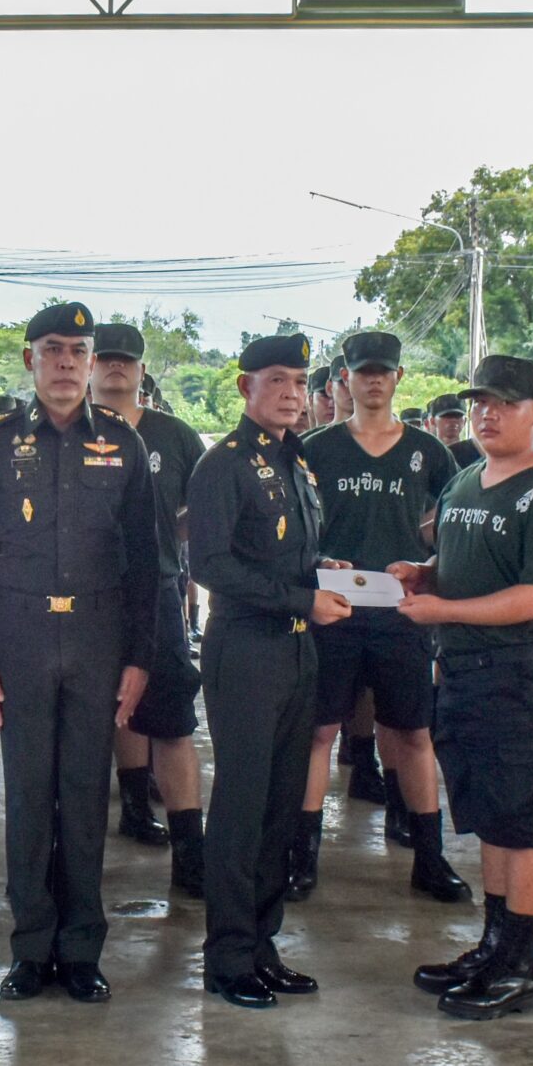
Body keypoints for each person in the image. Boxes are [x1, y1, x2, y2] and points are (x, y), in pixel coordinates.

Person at [0, 302, 159, 1003]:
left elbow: (146, 563)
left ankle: (81, 949)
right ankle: (30, 947)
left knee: (83, 795)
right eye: (54, 349)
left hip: (100, 638)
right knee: (28, 798)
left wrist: (139, 658)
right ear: (30, 360)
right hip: (19, 637)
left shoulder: (124, 445)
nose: (69, 362)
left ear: (95, 362)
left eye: (80, 350)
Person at [398, 353, 533, 1020]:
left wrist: (442, 610)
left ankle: (520, 971)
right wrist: (425, 575)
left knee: (526, 825)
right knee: (491, 823)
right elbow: (462, 567)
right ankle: (494, 949)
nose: (486, 413)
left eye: (503, 403)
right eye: (479, 401)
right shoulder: (467, 482)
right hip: (466, 674)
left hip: (522, 676)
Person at [185, 333, 352, 1008]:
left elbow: (286, 555)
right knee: (242, 806)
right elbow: (212, 566)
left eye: (298, 382)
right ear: (245, 387)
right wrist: (300, 597)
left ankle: (263, 944)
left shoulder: (297, 461)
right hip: (246, 650)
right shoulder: (222, 465)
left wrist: (322, 572)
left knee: (283, 806)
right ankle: (228, 957)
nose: (290, 394)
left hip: (297, 648)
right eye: (275, 380)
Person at [297, 330, 468, 903]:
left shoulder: (429, 450)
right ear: (345, 378)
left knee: (414, 734)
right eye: (362, 371)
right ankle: (302, 856)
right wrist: (317, 562)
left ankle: (429, 856)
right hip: (334, 611)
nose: (373, 380)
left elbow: (458, 521)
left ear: (398, 378)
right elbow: (292, 530)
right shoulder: (316, 448)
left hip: (400, 614)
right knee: (319, 733)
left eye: (383, 371)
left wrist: (428, 566)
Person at [91, 323, 211, 898]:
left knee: (169, 719)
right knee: (95, 715)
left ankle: (191, 851)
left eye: (126, 361)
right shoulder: (66, 430)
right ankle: (132, 808)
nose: (116, 368)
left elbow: (205, 509)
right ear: (90, 366)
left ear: (141, 371)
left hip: (156, 590)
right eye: (106, 359)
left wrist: (171, 540)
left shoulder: (176, 435)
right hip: (81, 598)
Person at [429, 394, 479, 469]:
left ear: (465, 421)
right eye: (446, 416)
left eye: (458, 416)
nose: (453, 421)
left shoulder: (475, 452)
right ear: (432, 421)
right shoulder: (428, 454)